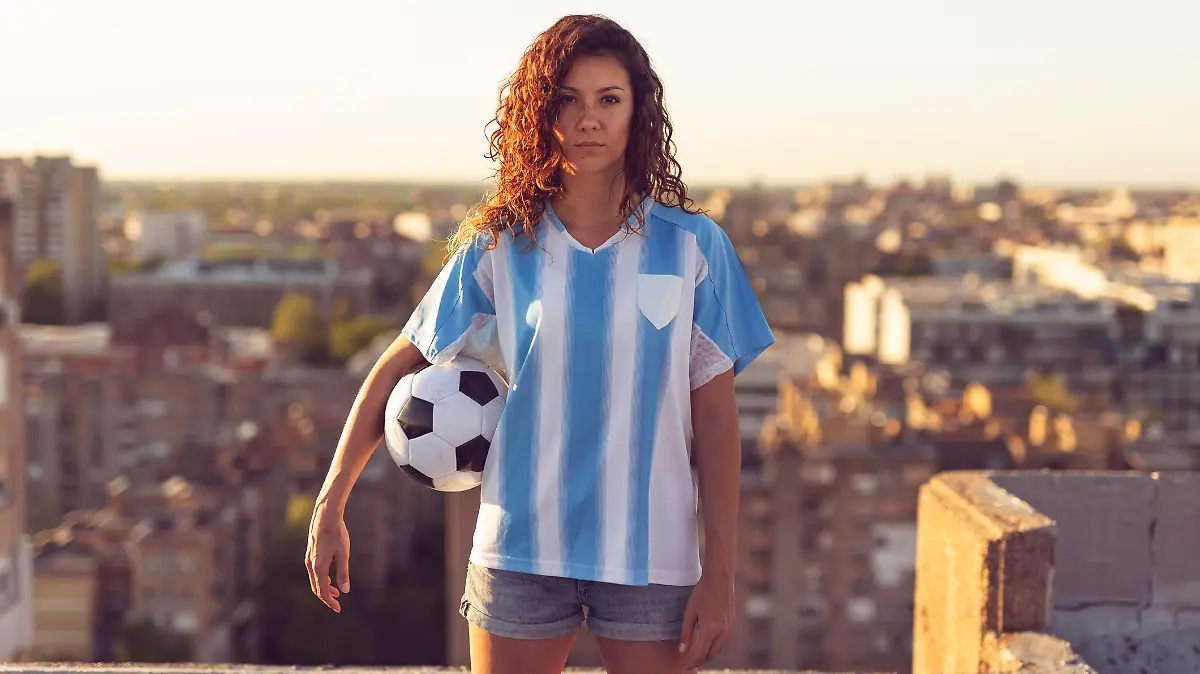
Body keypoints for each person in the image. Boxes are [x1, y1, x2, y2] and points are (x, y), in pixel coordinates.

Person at [305, 14, 774, 674]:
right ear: (540, 112)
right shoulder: (502, 243)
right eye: (568, 100)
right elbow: (397, 365)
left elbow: (719, 417)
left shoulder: (695, 246)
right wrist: (331, 502)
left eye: (609, 99)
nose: (589, 119)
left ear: (637, 111)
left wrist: (720, 571)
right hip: (518, 551)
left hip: (653, 560)